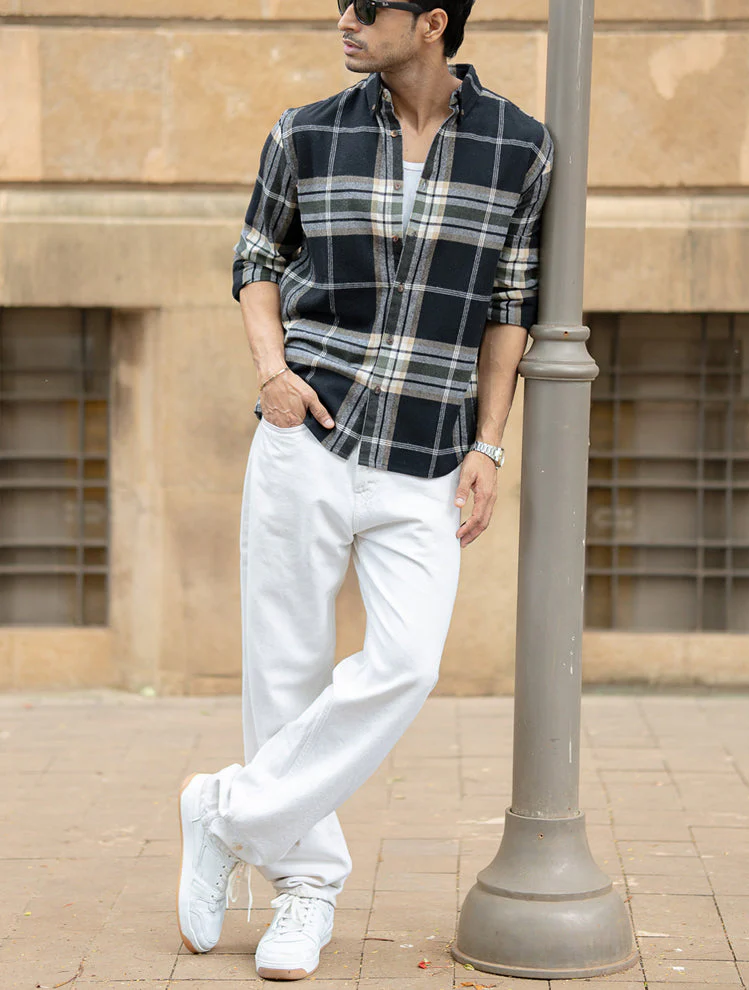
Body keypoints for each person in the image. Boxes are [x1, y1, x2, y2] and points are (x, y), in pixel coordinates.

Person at [176, 0, 553, 980]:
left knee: (407, 663)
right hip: (308, 430)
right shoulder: (305, 132)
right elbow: (257, 258)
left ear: (431, 22)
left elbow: (510, 305)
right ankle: (306, 889)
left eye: (366, 6)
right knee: (286, 667)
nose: (344, 19)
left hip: (428, 451)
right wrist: (272, 374)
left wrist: (490, 444)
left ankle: (224, 814)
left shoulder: (519, 147)